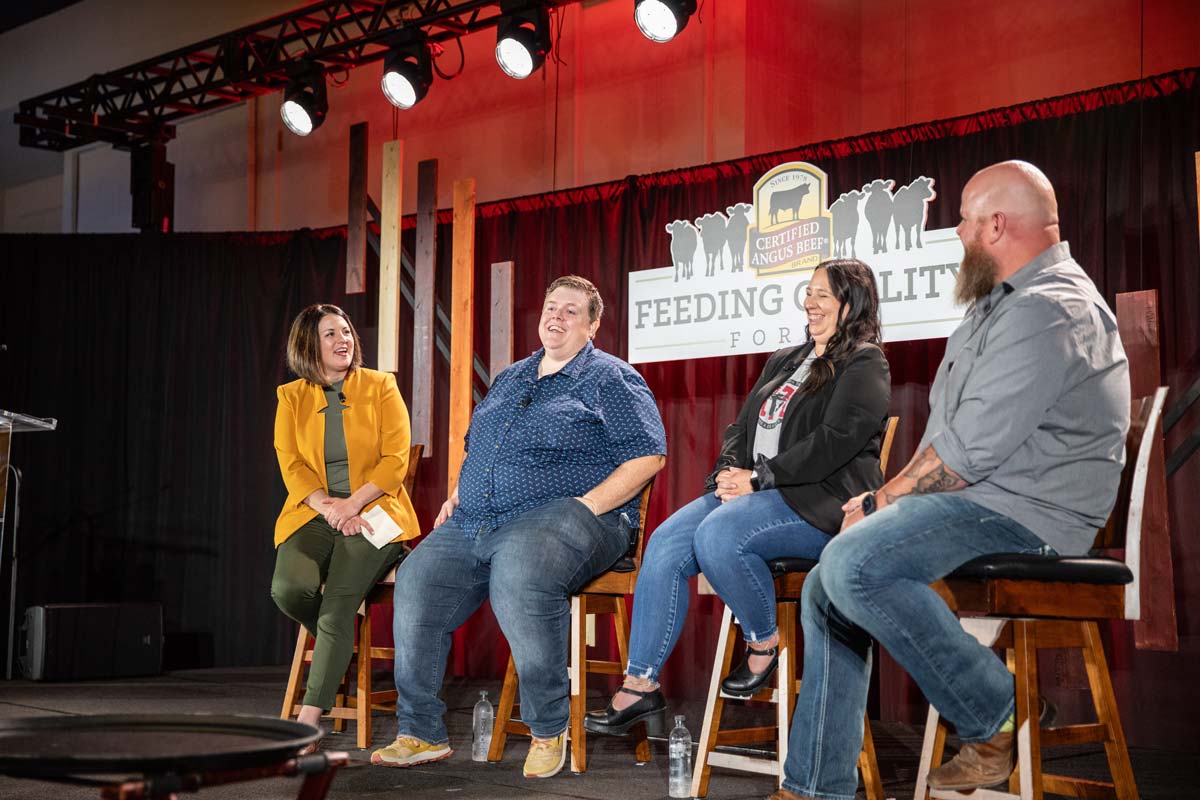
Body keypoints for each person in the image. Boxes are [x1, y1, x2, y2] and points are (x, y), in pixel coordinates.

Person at [771, 161, 1130, 800]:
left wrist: (879, 500)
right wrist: (878, 504)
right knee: (830, 577)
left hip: (1033, 516)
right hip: (987, 498)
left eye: (965, 218)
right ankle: (815, 788)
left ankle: (997, 713)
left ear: (997, 224)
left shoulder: (1049, 309)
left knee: (853, 564)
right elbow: (948, 439)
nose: (957, 230)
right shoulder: (999, 306)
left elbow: (965, 454)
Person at [371, 275, 667, 778]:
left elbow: (647, 456)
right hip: (478, 518)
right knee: (417, 578)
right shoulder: (512, 378)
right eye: (552, 306)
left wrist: (586, 505)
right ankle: (420, 732)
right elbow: (482, 447)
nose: (556, 316)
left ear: (593, 325)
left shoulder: (611, 378)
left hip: (571, 517)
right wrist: (461, 493)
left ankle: (549, 728)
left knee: (521, 573)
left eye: (572, 311)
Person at [585, 259, 891, 738]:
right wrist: (729, 473)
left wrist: (761, 477)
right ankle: (640, 684)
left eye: (821, 295)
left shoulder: (865, 361)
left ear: (851, 304)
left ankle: (763, 643)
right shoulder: (786, 358)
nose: (809, 303)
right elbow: (741, 426)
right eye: (806, 293)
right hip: (754, 490)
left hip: (817, 502)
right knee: (665, 543)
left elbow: (836, 440)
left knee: (720, 535)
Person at [270, 304, 420, 743]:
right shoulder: (291, 397)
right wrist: (328, 506)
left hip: (376, 511)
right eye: (330, 334)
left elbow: (396, 460)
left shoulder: (381, 386)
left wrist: (353, 505)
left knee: (337, 610)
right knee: (288, 588)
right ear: (308, 346)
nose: (344, 340)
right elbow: (292, 464)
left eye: (347, 331)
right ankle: (338, 653)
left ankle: (306, 724)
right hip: (315, 511)